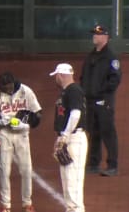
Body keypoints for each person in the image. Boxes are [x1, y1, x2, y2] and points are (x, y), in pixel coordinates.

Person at [0, 72, 42, 212]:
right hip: (5, 134)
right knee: (4, 170)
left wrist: (26, 125)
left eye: (10, 86)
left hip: (22, 134)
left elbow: (37, 115)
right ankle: (5, 205)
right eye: (5, 87)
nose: (9, 89)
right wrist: (2, 121)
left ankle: (27, 204)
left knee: (26, 170)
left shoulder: (26, 91)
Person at [80, 25, 122, 176]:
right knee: (93, 132)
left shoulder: (111, 57)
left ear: (106, 37)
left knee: (108, 132)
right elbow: (83, 76)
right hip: (90, 101)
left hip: (104, 101)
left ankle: (112, 165)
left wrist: (102, 92)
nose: (94, 37)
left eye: (98, 34)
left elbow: (115, 78)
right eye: (94, 34)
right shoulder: (91, 56)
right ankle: (93, 163)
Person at [50, 63, 87, 212]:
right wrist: (60, 138)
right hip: (67, 138)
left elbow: (76, 114)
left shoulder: (74, 90)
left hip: (74, 139)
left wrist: (64, 136)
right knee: (67, 181)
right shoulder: (67, 91)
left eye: (56, 76)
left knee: (73, 182)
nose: (56, 79)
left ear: (61, 75)